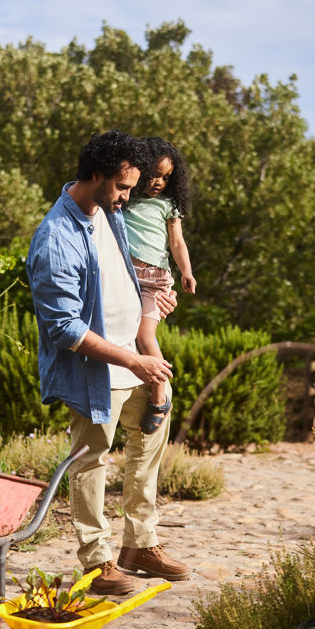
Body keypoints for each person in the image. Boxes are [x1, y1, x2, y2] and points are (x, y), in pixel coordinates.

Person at [26, 129, 191, 596]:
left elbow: (128, 274)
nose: (127, 197)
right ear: (95, 175)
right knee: (90, 460)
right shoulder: (57, 236)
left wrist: (152, 304)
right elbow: (63, 328)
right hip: (95, 369)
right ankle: (96, 562)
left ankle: (140, 544)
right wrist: (133, 360)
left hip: (132, 357)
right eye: (121, 187)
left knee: (153, 431)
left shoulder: (108, 211)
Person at [123, 137, 195, 434]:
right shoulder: (126, 200)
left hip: (154, 282)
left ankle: (158, 398)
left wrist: (186, 272)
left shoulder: (169, 205)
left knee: (144, 335)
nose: (158, 182)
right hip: (126, 277)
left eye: (166, 177)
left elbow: (177, 242)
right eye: (154, 174)